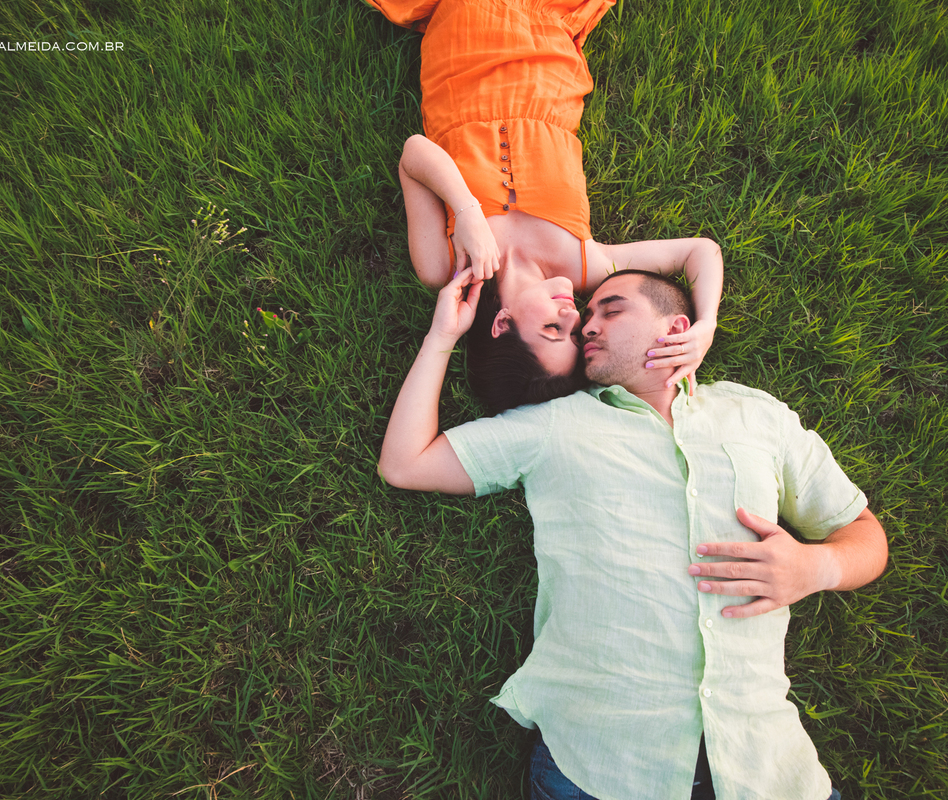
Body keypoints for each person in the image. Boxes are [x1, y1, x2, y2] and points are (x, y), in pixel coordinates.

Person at [378, 268, 889, 799]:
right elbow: (406, 463)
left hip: (769, 770)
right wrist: (443, 335)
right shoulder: (555, 424)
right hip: (602, 768)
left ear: (676, 327)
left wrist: (816, 567)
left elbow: (864, 533)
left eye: (611, 309)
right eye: (586, 318)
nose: (588, 325)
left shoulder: (757, 416)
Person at [368, 0, 725, 412]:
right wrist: (705, 326)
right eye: (577, 335)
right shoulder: (585, 265)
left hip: (462, 38)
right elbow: (701, 251)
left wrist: (465, 212)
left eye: (554, 328)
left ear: (502, 325)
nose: (576, 318)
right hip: (547, 50)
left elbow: (414, 154)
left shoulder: (446, 265)